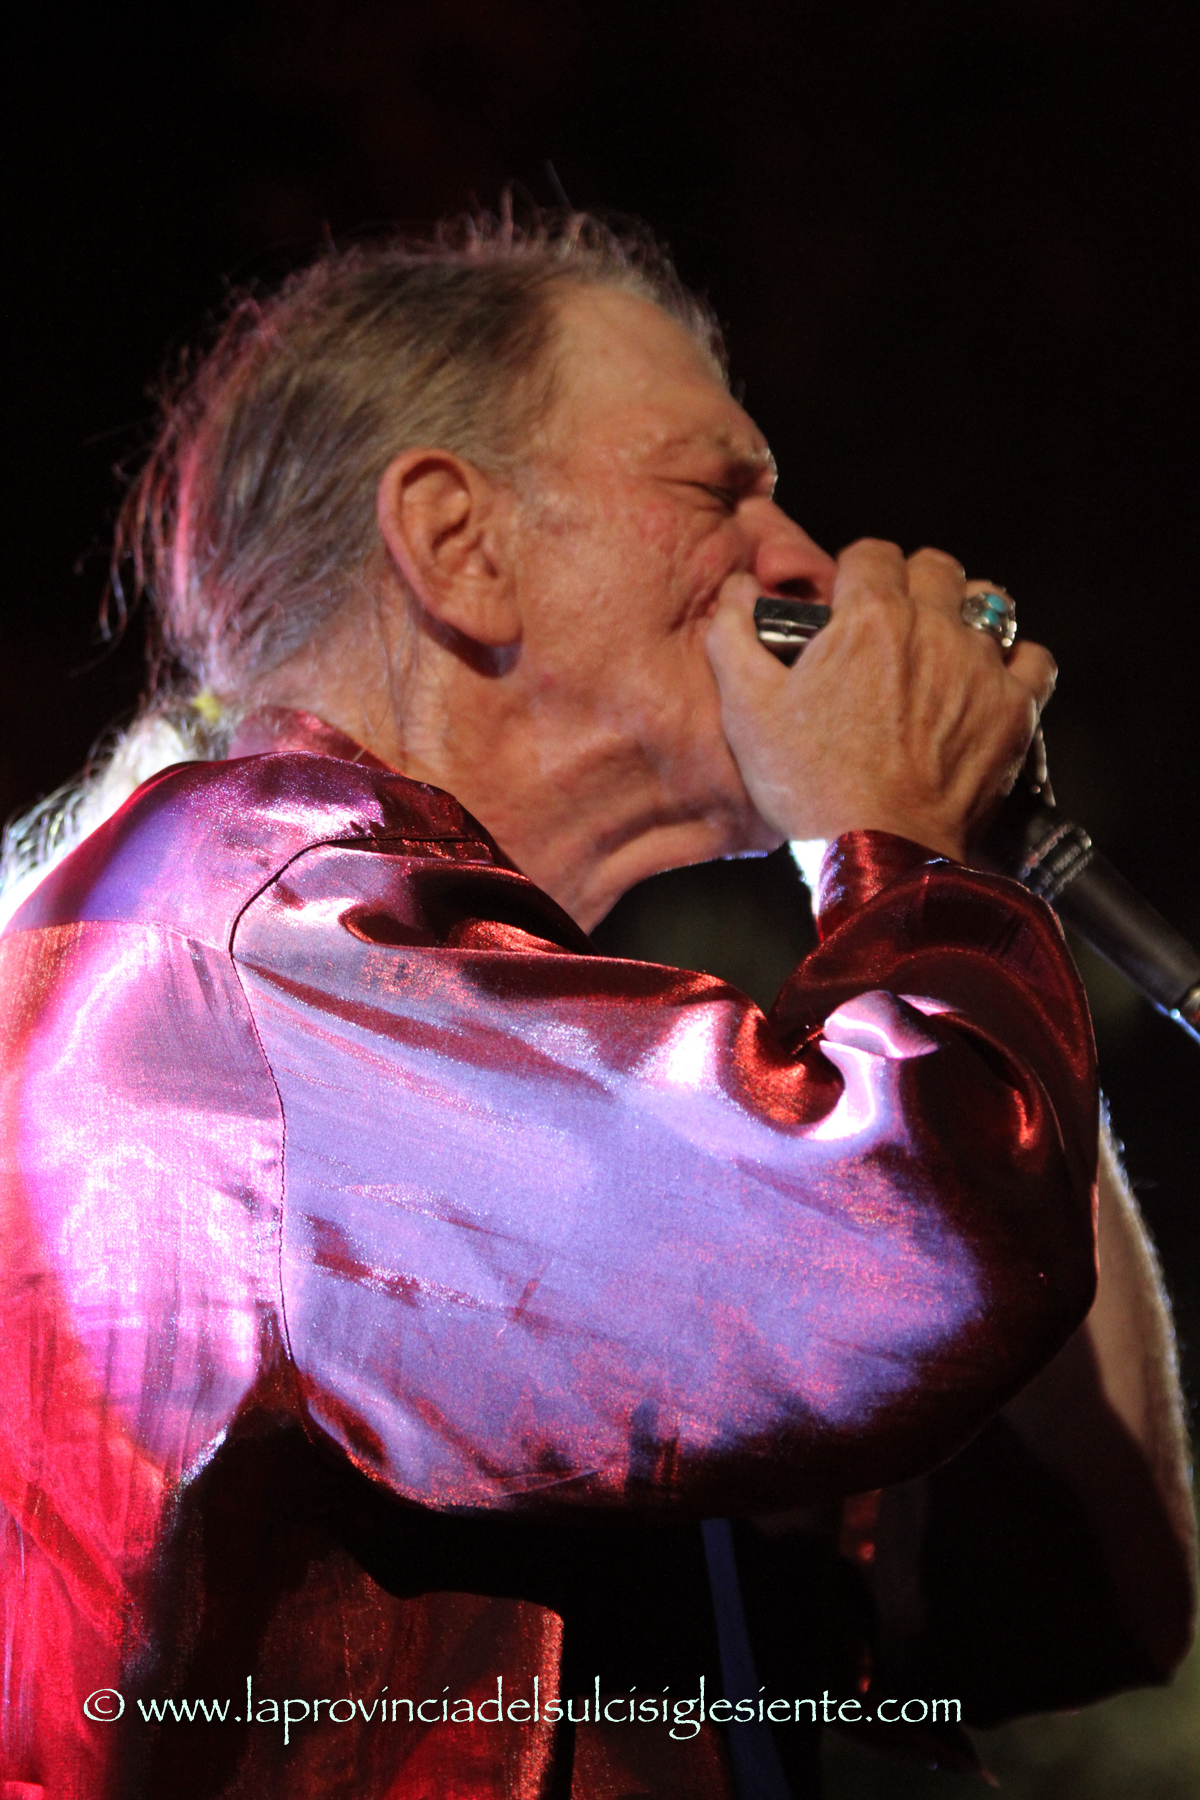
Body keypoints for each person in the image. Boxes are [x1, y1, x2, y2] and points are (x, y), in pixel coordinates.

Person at [0, 214, 1192, 1800]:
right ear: (460, 543)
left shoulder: (548, 1093)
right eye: (720, 491)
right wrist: (893, 849)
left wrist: (956, 869)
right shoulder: (239, 954)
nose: (803, 563)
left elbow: (1088, 1597)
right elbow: (919, 1233)